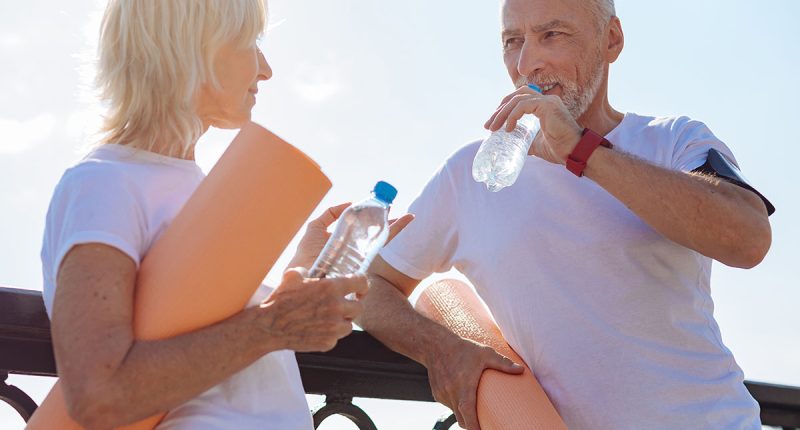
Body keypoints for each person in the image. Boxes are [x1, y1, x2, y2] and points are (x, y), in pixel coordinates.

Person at [358, 0, 774, 429]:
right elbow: (368, 288)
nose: (526, 64)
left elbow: (749, 239)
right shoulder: (470, 174)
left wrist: (581, 150)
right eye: (513, 41)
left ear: (611, 39)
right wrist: (443, 350)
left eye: (551, 35)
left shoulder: (673, 139)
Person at [40, 1, 410, 428]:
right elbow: (97, 395)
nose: (266, 69)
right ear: (194, 49)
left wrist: (300, 282)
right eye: (251, 43)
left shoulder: (196, 187)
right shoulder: (103, 182)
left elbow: (211, 343)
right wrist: (272, 325)